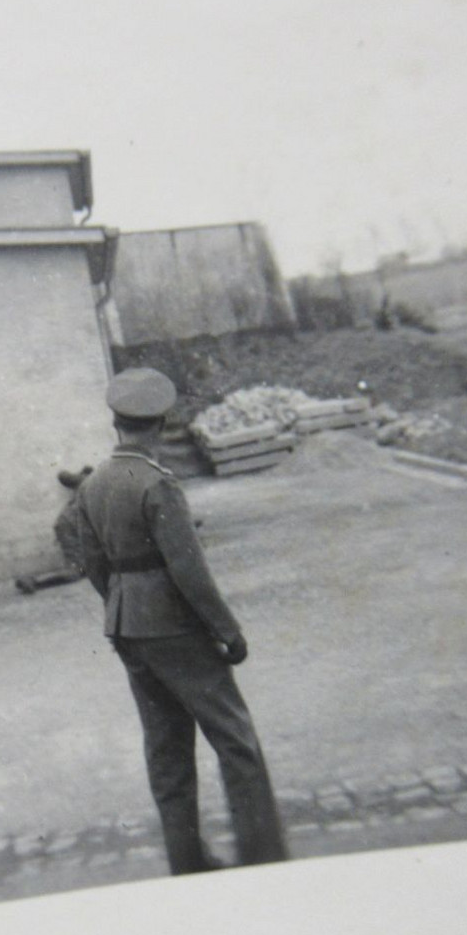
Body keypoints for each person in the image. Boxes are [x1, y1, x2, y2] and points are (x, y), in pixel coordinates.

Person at [76, 367, 288, 874]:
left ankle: (187, 862)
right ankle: (264, 858)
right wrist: (228, 631)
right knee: (236, 743)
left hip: (127, 627)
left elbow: (92, 564)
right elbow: (189, 572)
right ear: (164, 423)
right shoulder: (158, 484)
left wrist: (123, 603)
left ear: (115, 422)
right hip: (174, 627)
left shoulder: (93, 484)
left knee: (167, 750)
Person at [15, 466, 94, 594]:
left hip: (68, 523)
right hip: (70, 526)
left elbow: (63, 475)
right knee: (76, 571)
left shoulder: (84, 481)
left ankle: (33, 581)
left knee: (81, 569)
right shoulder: (92, 481)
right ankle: (33, 581)